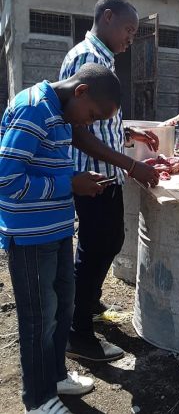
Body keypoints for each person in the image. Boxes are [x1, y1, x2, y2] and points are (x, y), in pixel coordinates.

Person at [0, 63, 122, 413]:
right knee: (39, 317)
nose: (89, 124)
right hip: (29, 236)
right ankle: (37, 399)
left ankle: (53, 376)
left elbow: (44, 164)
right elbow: (6, 179)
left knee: (61, 307)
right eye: (92, 115)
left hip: (56, 229)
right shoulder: (33, 108)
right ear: (80, 92)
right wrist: (69, 184)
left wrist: (75, 176)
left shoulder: (60, 114)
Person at [59, 0, 160, 362]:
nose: (131, 38)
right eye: (129, 30)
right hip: (93, 178)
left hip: (104, 175)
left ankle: (89, 305)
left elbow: (102, 123)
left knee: (105, 242)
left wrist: (131, 134)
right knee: (97, 246)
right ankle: (77, 333)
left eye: (135, 33)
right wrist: (133, 165)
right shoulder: (88, 58)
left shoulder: (102, 58)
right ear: (107, 17)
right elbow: (79, 131)